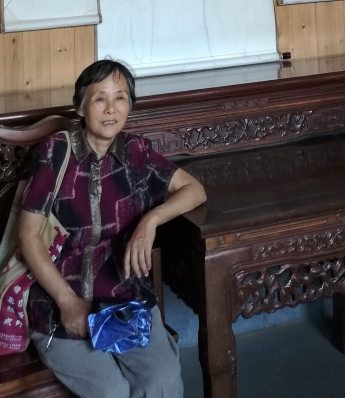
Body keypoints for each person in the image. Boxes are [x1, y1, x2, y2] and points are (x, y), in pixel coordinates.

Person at [18, 59, 206, 398]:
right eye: (99, 98)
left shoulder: (137, 154)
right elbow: (28, 236)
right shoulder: (55, 153)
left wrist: (151, 220)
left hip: (123, 300)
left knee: (163, 381)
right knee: (111, 391)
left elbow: (194, 189)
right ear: (81, 107)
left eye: (120, 97)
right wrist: (67, 302)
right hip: (60, 304)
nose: (110, 108)